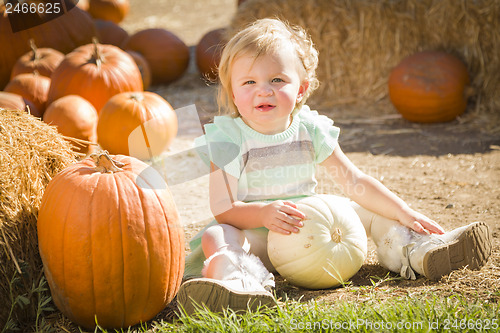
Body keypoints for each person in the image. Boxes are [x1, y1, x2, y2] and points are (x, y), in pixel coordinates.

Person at [176, 18, 492, 314]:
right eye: (249, 81)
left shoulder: (311, 129)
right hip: (257, 237)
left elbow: (355, 180)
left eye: (277, 79)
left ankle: (419, 248)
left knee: (370, 210)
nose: (264, 89)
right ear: (232, 90)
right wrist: (262, 213)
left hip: (314, 227)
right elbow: (223, 206)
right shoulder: (227, 137)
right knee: (219, 233)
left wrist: (403, 211)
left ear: (301, 88)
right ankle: (239, 281)